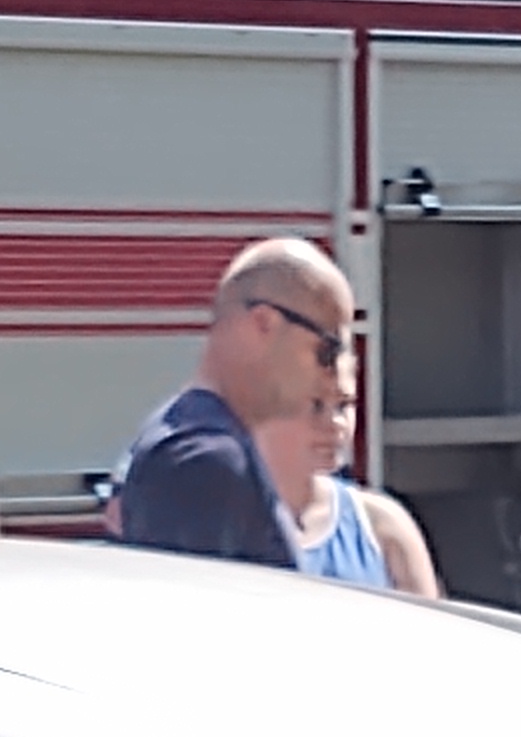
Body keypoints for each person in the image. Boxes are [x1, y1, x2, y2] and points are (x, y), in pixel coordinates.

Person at [110, 238, 355, 566]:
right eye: (327, 350)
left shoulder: (189, 439)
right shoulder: (206, 461)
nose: (332, 377)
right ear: (264, 323)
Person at [252, 362, 441, 595]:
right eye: (316, 405)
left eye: (343, 405)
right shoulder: (222, 524)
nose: (336, 423)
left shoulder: (382, 525)